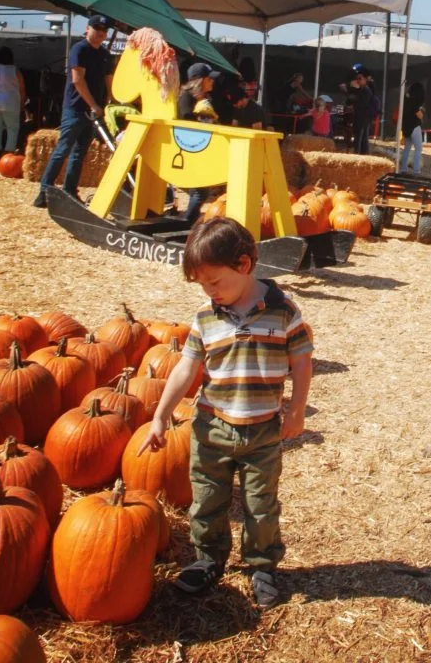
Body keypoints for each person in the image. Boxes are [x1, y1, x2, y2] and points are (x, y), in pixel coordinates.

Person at [137, 217, 312, 607]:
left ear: (245, 265)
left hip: (262, 430)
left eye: (214, 282)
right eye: (202, 285)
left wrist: (297, 408)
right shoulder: (205, 317)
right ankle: (208, 559)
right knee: (207, 499)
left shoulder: (283, 311)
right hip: (211, 427)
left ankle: (263, 565)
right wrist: (161, 415)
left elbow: (301, 360)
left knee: (260, 503)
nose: (210, 291)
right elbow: (186, 367)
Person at [33, 15, 113, 208]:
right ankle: (45, 191)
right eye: (97, 29)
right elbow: (78, 79)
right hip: (76, 109)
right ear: (88, 29)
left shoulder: (105, 54)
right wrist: (93, 104)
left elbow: (108, 78)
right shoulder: (80, 49)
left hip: (94, 112)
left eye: (104, 30)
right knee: (63, 150)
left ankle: (70, 190)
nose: (100, 33)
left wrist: (109, 99)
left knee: (80, 152)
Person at [178, 63, 221, 224]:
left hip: (202, 145)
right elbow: (186, 121)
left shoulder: (205, 98)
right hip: (191, 146)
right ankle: (187, 220)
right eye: (209, 79)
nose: (212, 81)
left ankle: (190, 219)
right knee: (200, 189)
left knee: (201, 189)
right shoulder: (186, 98)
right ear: (198, 80)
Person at [0, 46, 25, 154]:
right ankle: (8, 155)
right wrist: (22, 103)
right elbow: (22, 88)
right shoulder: (15, 70)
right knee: (12, 130)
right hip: (11, 103)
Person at [399, 82, 425, 174]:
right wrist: (422, 113)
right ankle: (416, 170)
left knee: (407, 148)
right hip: (414, 126)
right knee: (418, 149)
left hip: (406, 127)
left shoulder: (405, 99)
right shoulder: (415, 101)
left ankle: (403, 169)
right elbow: (419, 115)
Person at [346, 71, 374, 154]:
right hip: (360, 116)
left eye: (360, 78)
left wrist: (353, 89)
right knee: (361, 137)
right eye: (357, 78)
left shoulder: (366, 90)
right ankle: (362, 154)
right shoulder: (361, 89)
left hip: (363, 117)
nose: (357, 80)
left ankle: (358, 154)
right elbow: (349, 100)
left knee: (360, 137)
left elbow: (360, 103)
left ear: (365, 79)